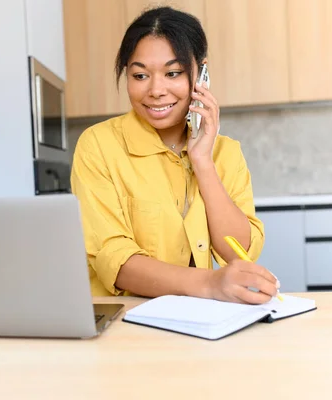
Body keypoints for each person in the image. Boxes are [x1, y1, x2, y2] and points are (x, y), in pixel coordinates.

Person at [70, 6, 280, 304]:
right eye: (140, 75)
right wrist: (209, 283)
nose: (156, 90)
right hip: (126, 321)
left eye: (173, 73)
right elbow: (111, 257)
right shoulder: (98, 146)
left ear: (201, 74)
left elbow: (239, 253)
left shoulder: (225, 153)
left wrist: (203, 162)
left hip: (200, 322)